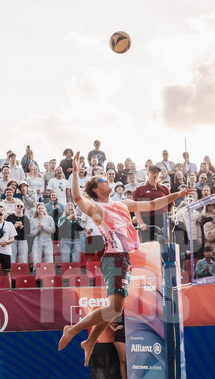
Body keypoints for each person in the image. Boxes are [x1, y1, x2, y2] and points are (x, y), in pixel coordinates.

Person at [58, 156, 191, 366]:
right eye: (102, 180)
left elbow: (153, 204)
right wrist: (75, 172)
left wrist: (177, 195)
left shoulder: (122, 204)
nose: (106, 180)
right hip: (114, 258)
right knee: (114, 309)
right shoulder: (97, 209)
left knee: (114, 309)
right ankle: (73, 330)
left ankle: (90, 341)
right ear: (96, 189)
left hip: (123, 259)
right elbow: (76, 197)